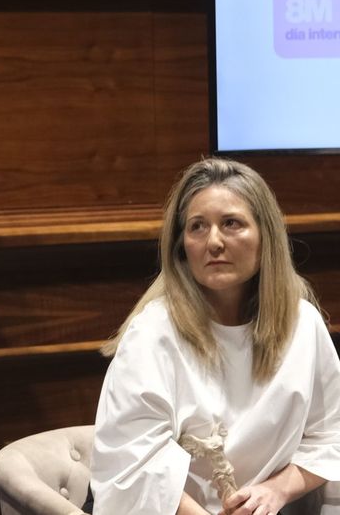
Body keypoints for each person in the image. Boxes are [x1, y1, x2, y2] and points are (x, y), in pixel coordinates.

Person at [91, 158, 340, 515]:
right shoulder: (153, 334)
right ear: (181, 247)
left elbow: (331, 435)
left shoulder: (303, 325)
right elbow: (132, 466)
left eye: (231, 223)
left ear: (265, 236)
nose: (214, 242)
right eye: (197, 227)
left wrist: (275, 492)